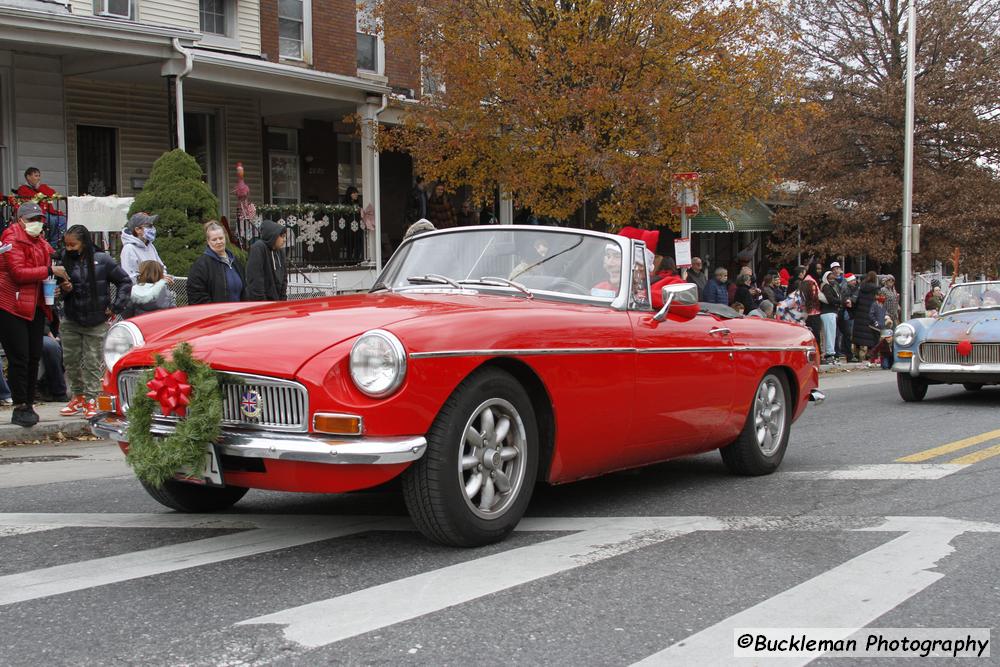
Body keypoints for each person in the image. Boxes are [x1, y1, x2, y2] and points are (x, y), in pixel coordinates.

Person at [0, 202, 67, 427]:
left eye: (38, 219)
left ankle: (28, 402)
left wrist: (58, 280)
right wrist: (49, 271)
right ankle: (20, 406)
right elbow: (17, 273)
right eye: (31, 219)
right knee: (20, 357)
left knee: (33, 355)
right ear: (19, 220)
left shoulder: (40, 242)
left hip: (35, 305)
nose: (36, 223)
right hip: (11, 305)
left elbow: (55, 259)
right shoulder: (10, 240)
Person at [57, 225, 132, 418]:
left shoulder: (103, 260)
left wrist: (116, 307)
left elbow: (124, 281)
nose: (69, 248)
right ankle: (78, 396)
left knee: (92, 362)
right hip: (72, 317)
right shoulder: (65, 260)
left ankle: (92, 398)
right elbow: (61, 292)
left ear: (84, 243)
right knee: (71, 360)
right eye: (67, 245)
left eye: (73, 244)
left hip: (96, 319)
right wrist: (64, 288)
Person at [187, 221, 247, 304]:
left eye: (221, 238)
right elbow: (196, 295)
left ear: (225, 238)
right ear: (208, 241)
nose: (219, 242)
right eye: (214, 239)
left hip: (237, 313)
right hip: (217, 314)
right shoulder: (201, 265)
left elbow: (245, 289)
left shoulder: (235, 261)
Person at [16, 167, 66, 248]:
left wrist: (39, 188)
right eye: (36, 176)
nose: (38, 178)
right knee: (52, 220)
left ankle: (55, 243)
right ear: (28, 177)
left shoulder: (42, 186)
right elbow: (31, 201)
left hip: (49, 211)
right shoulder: (23, 188)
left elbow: (52, 194)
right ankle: (50, 243)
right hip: (36, 213)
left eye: (39, 176)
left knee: (63, 220)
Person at [245, 220, 288, 301]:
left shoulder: (280, 251)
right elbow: (256, 281)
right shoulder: (258, 248)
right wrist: (262, 304)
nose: (284, 240)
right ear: (273, 235)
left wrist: (282, 301)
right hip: (262, 305)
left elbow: (284, 279)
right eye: (282, 236)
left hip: (277, 304)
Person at [120, 212, 168, 284]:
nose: (153, 228)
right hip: (141, 293)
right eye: (149, 226)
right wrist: (159, 279)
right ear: (138, 230)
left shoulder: (150, 246)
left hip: (156, 291)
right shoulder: (129, 249)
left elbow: (161, 266)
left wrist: (164, 276)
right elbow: (131, 277)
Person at [852, 271, 880, 359]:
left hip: (860, 313)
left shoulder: (861, 288)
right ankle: (870, 353)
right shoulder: (876, 289)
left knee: (859, 335)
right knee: (871, 334)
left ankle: (856, 353)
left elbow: (855, 301)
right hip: (871, 314)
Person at [820, 271, 842, 363]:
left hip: (830, 312)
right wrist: (840, 301)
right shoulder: (826, 286)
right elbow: (830, 299)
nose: (832, 280)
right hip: (828, 312)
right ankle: (830, 353)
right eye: (830, 278)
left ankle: (827, 353)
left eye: (833, 278)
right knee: (830, 334)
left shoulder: (831, 286)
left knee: (828, 334)